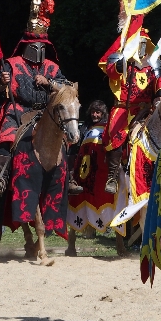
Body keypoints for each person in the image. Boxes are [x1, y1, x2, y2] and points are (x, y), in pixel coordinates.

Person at [0, 0, 81, 195]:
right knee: (8, 134)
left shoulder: (52, 67)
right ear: (27, 45)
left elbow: (65, 87)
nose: (38, 48)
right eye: (34, 45)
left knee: (67, 134)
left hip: (46, 111)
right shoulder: (12, 64)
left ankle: (69, 177)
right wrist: (2, 81)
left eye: (42, 45)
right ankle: (0, 176)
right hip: (19, 110)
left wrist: (48, 83)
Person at [99, 24, 161, 194]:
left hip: (145, 110)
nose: (142, 47)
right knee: (115, 135)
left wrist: (160, 95)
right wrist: (123, 61)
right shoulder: (121, 61)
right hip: (124, 109)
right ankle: (112, 175)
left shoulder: (153, 63)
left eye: (144, 43)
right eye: (139, 43)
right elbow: (111, 71)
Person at [66, 100, 128, 256]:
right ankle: (71, 246)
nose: (95, 115)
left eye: (98, 112)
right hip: (84, 174)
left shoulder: (110, 129)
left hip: (104, 173)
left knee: (115, 203)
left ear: (103, 114)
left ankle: (120, 247)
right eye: (93, 112)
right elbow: (74, 150)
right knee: (76, 202)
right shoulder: (83, 128)